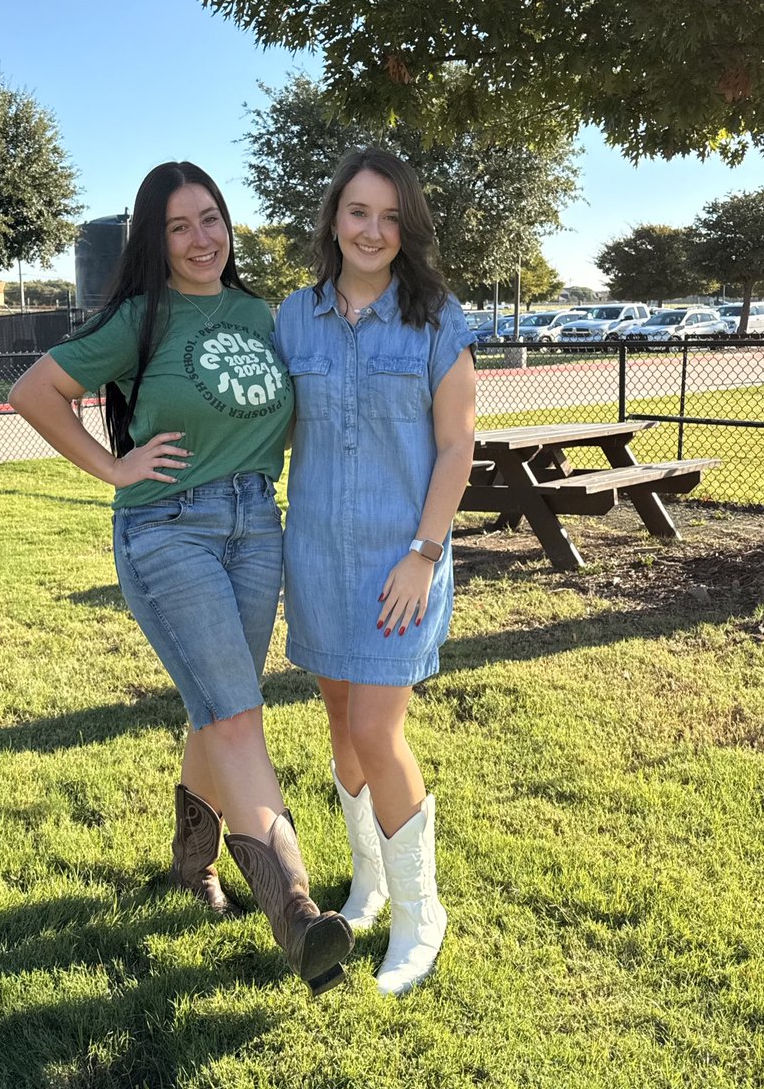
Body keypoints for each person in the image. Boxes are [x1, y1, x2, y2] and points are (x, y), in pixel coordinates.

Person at [8, 161, 354, 995]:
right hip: (169, 530)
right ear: (153, 243)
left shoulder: (255, 313)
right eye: (178, 227)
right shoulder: (140, 318)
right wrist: (116, 469)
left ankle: (192, 863)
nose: (201, 239)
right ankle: (297, 914)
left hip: (253, 526)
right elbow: (35, 392)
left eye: (211, 219)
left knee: (217, 705)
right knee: (238, 715)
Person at [273, 147, 476, 995]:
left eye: (391, 216)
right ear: (332, 219)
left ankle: (416, 913)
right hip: (316, 555)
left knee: (374, 732)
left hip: (402, 563)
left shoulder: (437, 318)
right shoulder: (292, 317)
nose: (373, 230)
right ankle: (367, 881)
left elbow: (457, 443)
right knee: (337, 722)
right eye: (358, 212)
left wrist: (422, 555)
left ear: (408, 227)